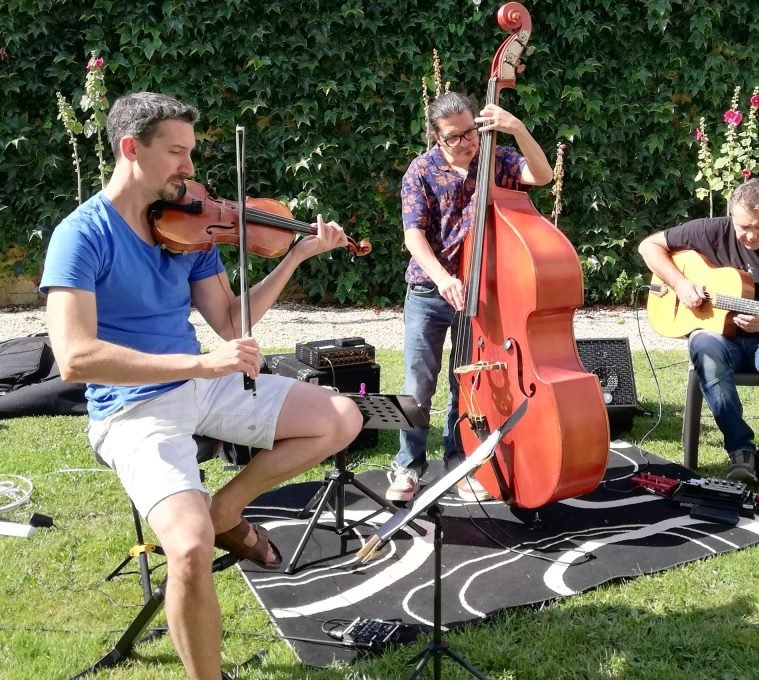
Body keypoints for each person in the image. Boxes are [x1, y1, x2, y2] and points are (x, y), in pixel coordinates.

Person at [40, 92, 364, 680]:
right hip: (132, 410)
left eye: (190, 152)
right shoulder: (80, 235)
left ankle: (228, 508)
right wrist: (201, 366)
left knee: (341, 417)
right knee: (187, 551)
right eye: (176, 153)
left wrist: (296, 255)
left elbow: (230, 323)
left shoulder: (187, 224)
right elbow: (75, 359)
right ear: (130, 149)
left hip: (202, 384)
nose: (190, 169)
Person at [388, 91, 553, 502]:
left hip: (480, 292)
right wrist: (443, 278)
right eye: (455, 136)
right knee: (417, 383)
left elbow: (543, 175)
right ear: (435, 136)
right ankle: (408, 466)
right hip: (430, 290)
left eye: (471, 131)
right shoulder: (420, 170)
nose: (467, 141)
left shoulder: (496, 159)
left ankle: (457, 460)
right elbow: (413, 236)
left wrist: (515, 127)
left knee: (466, 382)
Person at [637, 179, 759, 499]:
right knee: (705, 347)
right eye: (743, 226)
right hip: (717, 337)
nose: (750, 235)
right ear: (731, 216)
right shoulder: (710, 231)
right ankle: (740, 450)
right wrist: (681, 284)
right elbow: (648, 246)